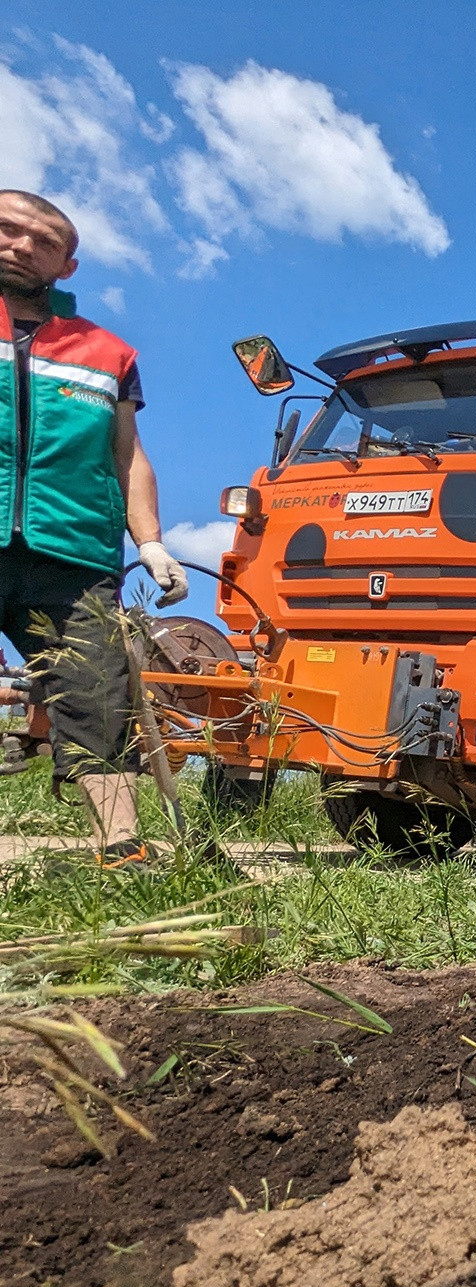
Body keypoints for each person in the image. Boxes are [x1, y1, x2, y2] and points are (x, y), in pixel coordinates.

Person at [0, 189, 187, 866]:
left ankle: (122, 848)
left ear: (66, 266)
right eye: (8, 229)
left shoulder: (105, 351)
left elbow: (127, 452)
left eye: (42, 240)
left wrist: (153, 542)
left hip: (75, 550)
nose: (21, 245)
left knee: (98, 698)